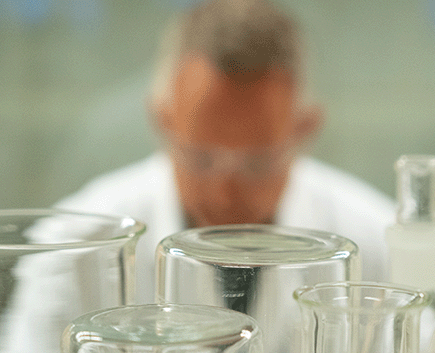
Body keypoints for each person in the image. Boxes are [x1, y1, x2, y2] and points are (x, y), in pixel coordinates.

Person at [57, 0, 395, 302]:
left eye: (257, 164)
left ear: (306, 129)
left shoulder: (378, 245)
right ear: (162, 122)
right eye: (201, 160)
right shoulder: (75, 245)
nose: (223, 195)